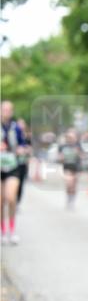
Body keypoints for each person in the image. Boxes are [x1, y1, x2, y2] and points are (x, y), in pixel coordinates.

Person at [1, 102, 29, 245]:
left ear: (11, 111)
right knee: (0, 201)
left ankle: (12, 231)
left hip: (12, 166)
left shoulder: (15, 128)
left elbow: (24, 144)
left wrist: (21, 149)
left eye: (8, 109)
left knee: (11, 198)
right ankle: (2, 231)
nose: (6, 112)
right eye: (3, 109)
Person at [58, 130, 83, 210]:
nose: (70, 139)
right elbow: (59, 157)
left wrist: (78, 153)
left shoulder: (78, 145)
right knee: (69, 183)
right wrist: (61, 158)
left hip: (76, 167)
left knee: (74, 185)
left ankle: (72, 200)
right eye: (69, 137)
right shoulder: (63, 146)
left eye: (72, 137)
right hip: (67, 167)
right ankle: (69, 199)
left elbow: (82, 156)